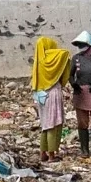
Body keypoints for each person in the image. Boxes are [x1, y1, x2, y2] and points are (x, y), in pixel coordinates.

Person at [31, 36, 72, 164]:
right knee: (53, 124)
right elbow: (66, 56)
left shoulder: (38, 61)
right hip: (53, 92)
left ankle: (42, 153)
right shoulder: (57, 57)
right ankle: (51, 156)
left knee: (44, 124)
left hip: (40, 94)